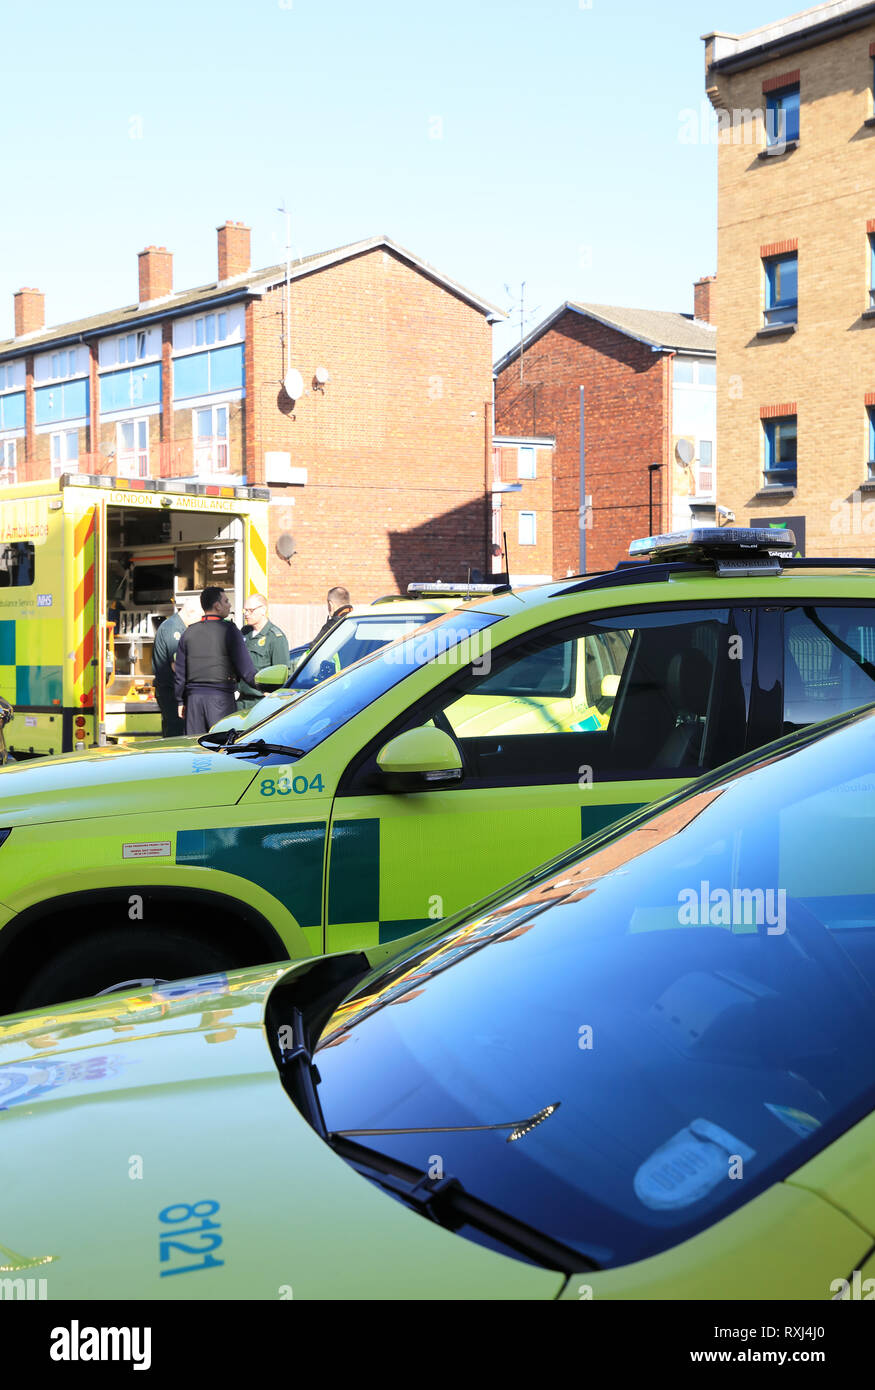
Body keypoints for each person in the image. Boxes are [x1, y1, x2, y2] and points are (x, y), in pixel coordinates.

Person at [174, 587, 257, 736]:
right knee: (221, 749)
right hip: (221, 700)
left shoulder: (188, 633)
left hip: (193, 702)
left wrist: (181, 701)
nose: (229, 605)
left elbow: (180, 673)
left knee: (195, 750)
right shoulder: (230, 630)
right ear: (217, 606)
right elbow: (246, 670)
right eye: (226, 601)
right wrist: (265, 685)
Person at [152, 598, 200, 737]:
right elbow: (177, 665)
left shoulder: (176, 625)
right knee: (176, 734)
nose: (202, 621)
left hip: (172, 691)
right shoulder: (175, 629)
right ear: (191, 612)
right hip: (171, 692)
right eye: (200, 617)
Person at [236, 595, 289, 712]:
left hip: (261, 702)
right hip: (241, 701)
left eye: (251, 610)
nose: (246, 614)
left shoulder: (275, 637)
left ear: (263, 610)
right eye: (245, 610)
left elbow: (281, 673)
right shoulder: (244, 632)